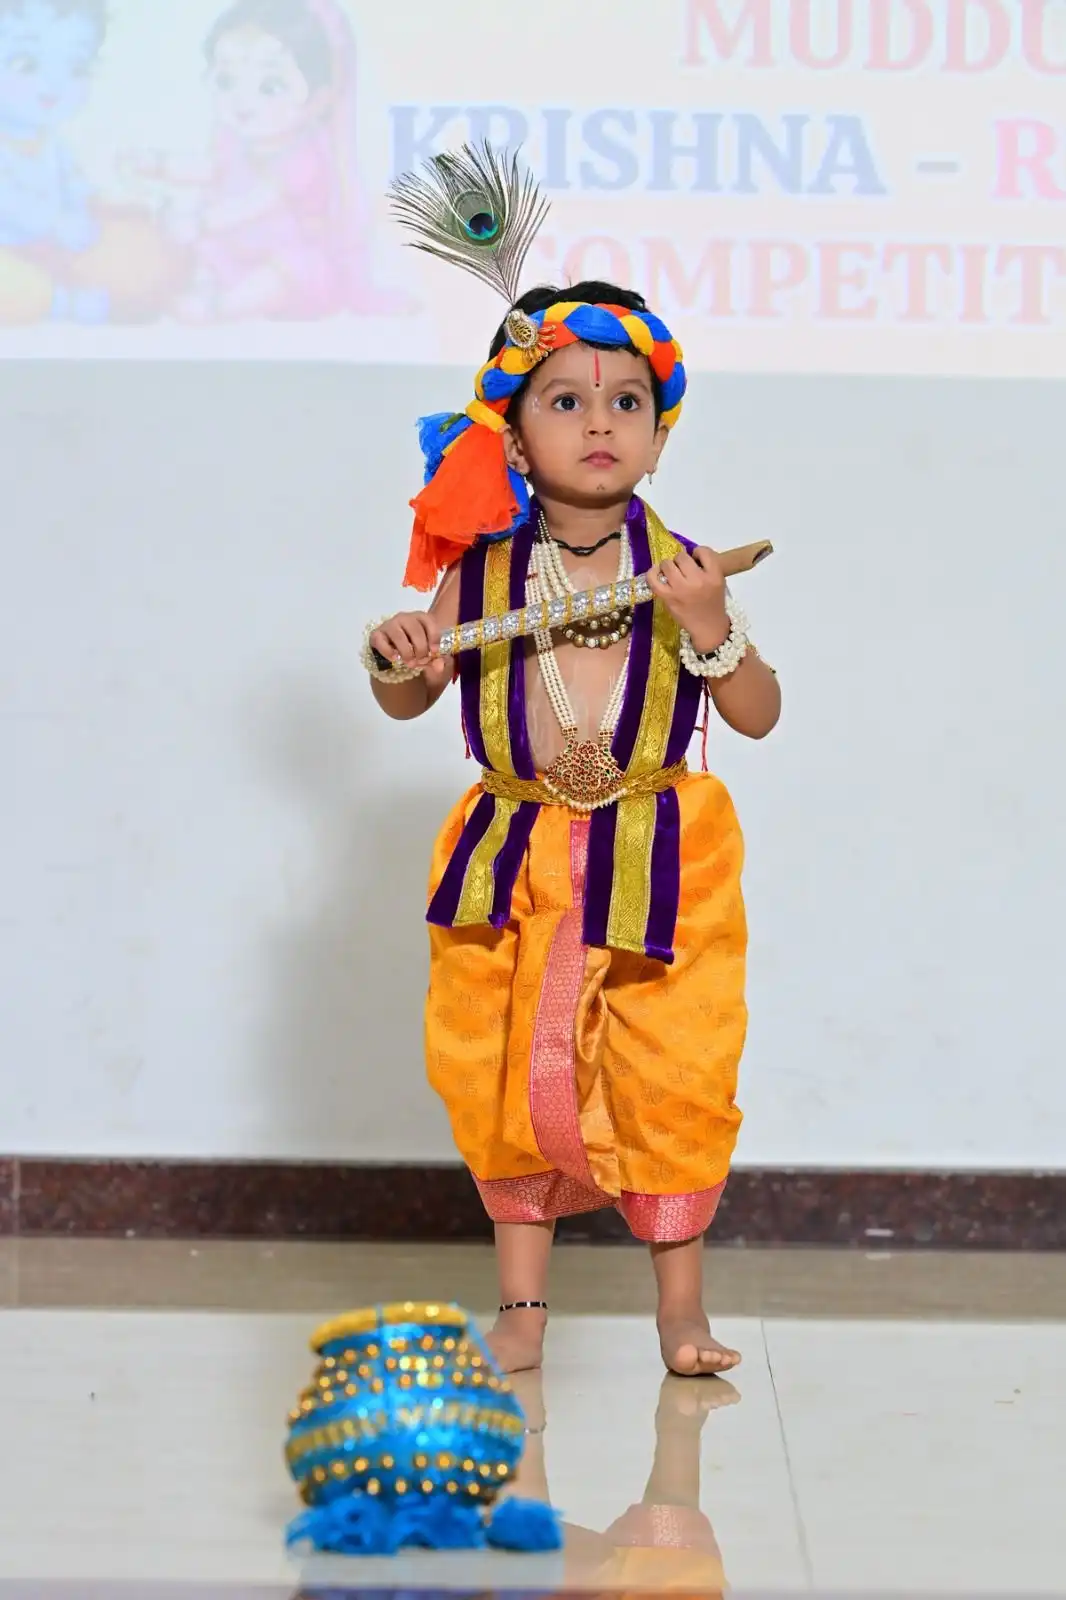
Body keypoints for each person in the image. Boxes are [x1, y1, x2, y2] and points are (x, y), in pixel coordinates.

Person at [365, 153, 780, 1379]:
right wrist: (400, 657)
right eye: (565, 400)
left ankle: (680, 1316)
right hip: (515, 847)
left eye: (625, 403)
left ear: (657, 435)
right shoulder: (479, 572)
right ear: (511, 427)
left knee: (672, 1068)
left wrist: (709, 626)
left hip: (663, 856)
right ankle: (523, 1311)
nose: (599, 423)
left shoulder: (687, 563)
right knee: (507, 1069)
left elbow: (754, 712)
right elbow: (408, 698)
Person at [124, 0, 411, 323]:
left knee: (285, 270)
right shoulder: (234, 143)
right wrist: (161, 165)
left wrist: (201, 222)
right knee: (192, 249)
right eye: (226, 81)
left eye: (269, 87)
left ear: (319, 100)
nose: (242, 102)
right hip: (240, 251)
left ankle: (222, 307)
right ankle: (199, 286)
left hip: (296, 272)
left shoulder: (305, 155)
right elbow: (210, 170)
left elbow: (258, 202)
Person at [0, 0, 183, 325]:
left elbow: (76, 190)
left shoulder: (54, 146)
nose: (53, 85)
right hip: (11, 256)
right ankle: (58, 304)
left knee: (139, 247)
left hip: (51, 251)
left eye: (75, 68)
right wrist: (54, 224)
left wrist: (99, 210)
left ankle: (73, 292)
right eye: (26, 64)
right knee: (15, 283)